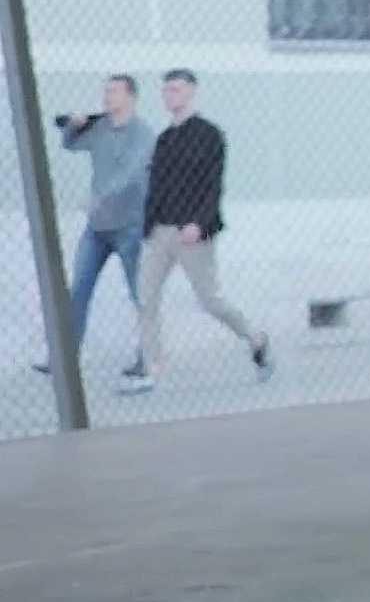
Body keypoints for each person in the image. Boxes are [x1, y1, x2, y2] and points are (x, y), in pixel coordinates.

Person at [130, 69, 269, 393]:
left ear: (191, 91)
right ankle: (152, 368)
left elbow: (212, 185)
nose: (169, 96)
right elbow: (157, 186)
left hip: (192, 232)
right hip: (161, 231)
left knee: (210, 299)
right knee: (146, 298)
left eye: (176, 89)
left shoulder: (209, 135)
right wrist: (149, 225)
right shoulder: (164, 139)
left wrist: (199, 223)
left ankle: (256, 339)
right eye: (166, 90)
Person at [34, 75, 149, 382]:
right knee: (79, 289)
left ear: (130, 97)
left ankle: (149, 354)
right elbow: (70, 145)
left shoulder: (142, 134)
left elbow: (130, 174)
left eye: (113, 92)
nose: (107, 97)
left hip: (129, 226)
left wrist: (99, 197)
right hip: (97, 228)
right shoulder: (99, 128)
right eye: (106, 91)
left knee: (140, 293)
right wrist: (74, 125)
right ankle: (65, 357)